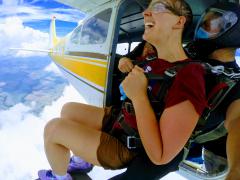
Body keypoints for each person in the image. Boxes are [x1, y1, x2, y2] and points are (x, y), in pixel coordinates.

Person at [37, 0, 208, 180]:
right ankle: (82, 160)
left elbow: (161, 156)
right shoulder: (154, 60)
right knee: (68, 109)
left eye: (158, 7)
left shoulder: (191, 75)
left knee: (53, 129)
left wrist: (139, 96)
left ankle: (60, 177)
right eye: (148, 9)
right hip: (121, 121)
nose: (145, 13)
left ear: (179, 22)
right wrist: (126, 65)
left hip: (126, 146)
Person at [110, 2, 240, 179]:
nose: (201, 28)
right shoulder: (188, 53)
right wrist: (125, 59)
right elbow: (147, 58)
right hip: (150, 122)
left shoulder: (234, 81)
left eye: (211, 25)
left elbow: (237, 122)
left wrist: (236, 171)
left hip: (189, 146)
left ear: (234, 33)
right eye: (202, 22)